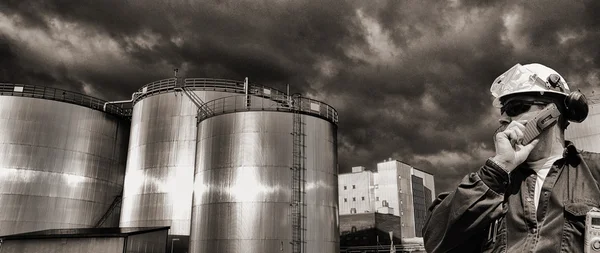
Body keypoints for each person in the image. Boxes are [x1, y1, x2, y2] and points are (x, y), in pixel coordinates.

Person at [422, 63, 600, 252]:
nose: (504, 118)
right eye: (503, 111)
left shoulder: (594, 172)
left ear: (551, 112)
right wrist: (497, 170)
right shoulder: (492, 183)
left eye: (515, 107)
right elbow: (434, 240)